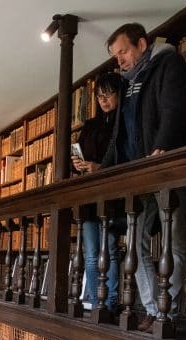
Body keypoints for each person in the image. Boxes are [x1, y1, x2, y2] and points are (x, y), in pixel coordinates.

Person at [102, 22, 186, 333]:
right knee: (136, 245)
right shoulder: (127, 83)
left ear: (141, 44)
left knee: (174, 241)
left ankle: (168, 308)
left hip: (167, 167)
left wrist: (162, 147)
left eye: (123, 51)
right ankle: (154, 308)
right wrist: (110, 170)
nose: (120, 60)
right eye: (116, 56)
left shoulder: (167, 63)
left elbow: (174, 109)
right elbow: (122, 133)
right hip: (137, 177)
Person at [71, 72, 123, 314]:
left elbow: (125, 156)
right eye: (99, 96)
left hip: (112, 196)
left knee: (110, 250)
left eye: (108, 94)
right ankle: (94, 299)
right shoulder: (91, 125)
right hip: (89, 198)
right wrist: (78, 163)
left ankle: (110, 301)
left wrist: (100, 167)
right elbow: (77, 154)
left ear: (118, 95)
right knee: (91, 253)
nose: (103, 100)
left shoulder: (123, 123)